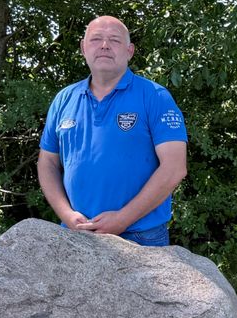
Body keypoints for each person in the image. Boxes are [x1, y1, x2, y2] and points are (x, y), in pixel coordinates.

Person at [37, 15, 187, 246]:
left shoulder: (155, 97)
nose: (104, 45)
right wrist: (66, 214)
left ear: (129, 51)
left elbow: (175, 167)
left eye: (114, 40)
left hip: (141, 236)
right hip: (76, 233)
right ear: (83, 48)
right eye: (96, 39)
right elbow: (47, 163)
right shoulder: (64, 99)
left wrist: (122, 219)